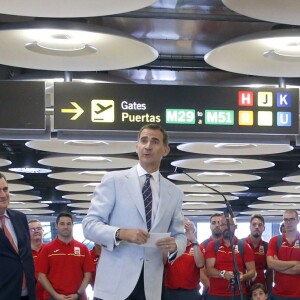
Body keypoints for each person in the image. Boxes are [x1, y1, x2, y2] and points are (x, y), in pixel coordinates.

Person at [82, 123, 187, 300]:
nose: (148, 146)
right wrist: (121, 233)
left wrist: (175, 246)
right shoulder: (114, 180)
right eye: (143, 141)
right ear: (137, 147)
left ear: (165, 150)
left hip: (150, 286)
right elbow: (89, 225)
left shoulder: (174, 192)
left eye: (154, 141)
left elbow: (180, 234)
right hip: (114, 285)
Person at [37, 212, 94, 300]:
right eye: (62, 224)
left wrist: (78, 294)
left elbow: (88, 275)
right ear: (56, 226)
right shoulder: (47, 249)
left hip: (78, 297)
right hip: (53, 297)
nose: (66, 227)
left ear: (72, 225)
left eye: (68, 224)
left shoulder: (83, 248)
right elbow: (42, 276)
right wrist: (56, 296)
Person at [0, 172, 36, 300]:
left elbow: (26, 255)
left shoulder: (20, 218)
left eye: (5, 189)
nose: (3, 195)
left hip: (28, 293)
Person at [205, 214, 255, 300]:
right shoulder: (212, 246)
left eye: (229, 224)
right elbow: (209, 270)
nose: (226, 227)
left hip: (238, 294)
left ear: (235, 227)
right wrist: (223, 274)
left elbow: (252, 271)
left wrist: (243, 277)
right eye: (223, 224)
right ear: (220, 227)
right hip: (216, 295)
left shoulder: (244, 246)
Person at [163, 218, 204, 300]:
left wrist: (193, 240)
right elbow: (163, 263)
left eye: (186, 228)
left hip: (191, 293)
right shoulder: (170, 247)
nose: (183, 231)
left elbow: (200, 264)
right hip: (171, 293)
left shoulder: (197, 247)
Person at [267, 209, 300, 299]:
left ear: (297, 221)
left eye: (292, 219)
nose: (288, 222)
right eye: (285, 219)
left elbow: (275, 264)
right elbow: (270, 264)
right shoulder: (275, 241)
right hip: (278, 294)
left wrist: (279, 267)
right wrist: (295, 263)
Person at [242, 214, 272, 292]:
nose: (257, 227)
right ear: (250, 227)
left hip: (260, 289)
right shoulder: (240, 244)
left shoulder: (267, 246)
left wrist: (269, 291)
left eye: (260, 225)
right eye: (254, 224)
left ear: (264, 228)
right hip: (242, 287)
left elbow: (270, 272)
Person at [200, 213, 223, 296]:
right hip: (209, 290)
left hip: (229, 291)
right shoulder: (202, 246)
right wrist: (213, 287)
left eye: (219, 222)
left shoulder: (231, 244)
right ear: (210, 226)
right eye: (213, 223)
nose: (217, 225)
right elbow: (201, 272)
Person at [28, 219, 45, 300]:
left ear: (42, 231)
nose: (36, 231)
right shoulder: (22, 253)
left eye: (39, 229)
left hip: (50, 295)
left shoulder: (50, 250)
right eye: (32, 229)